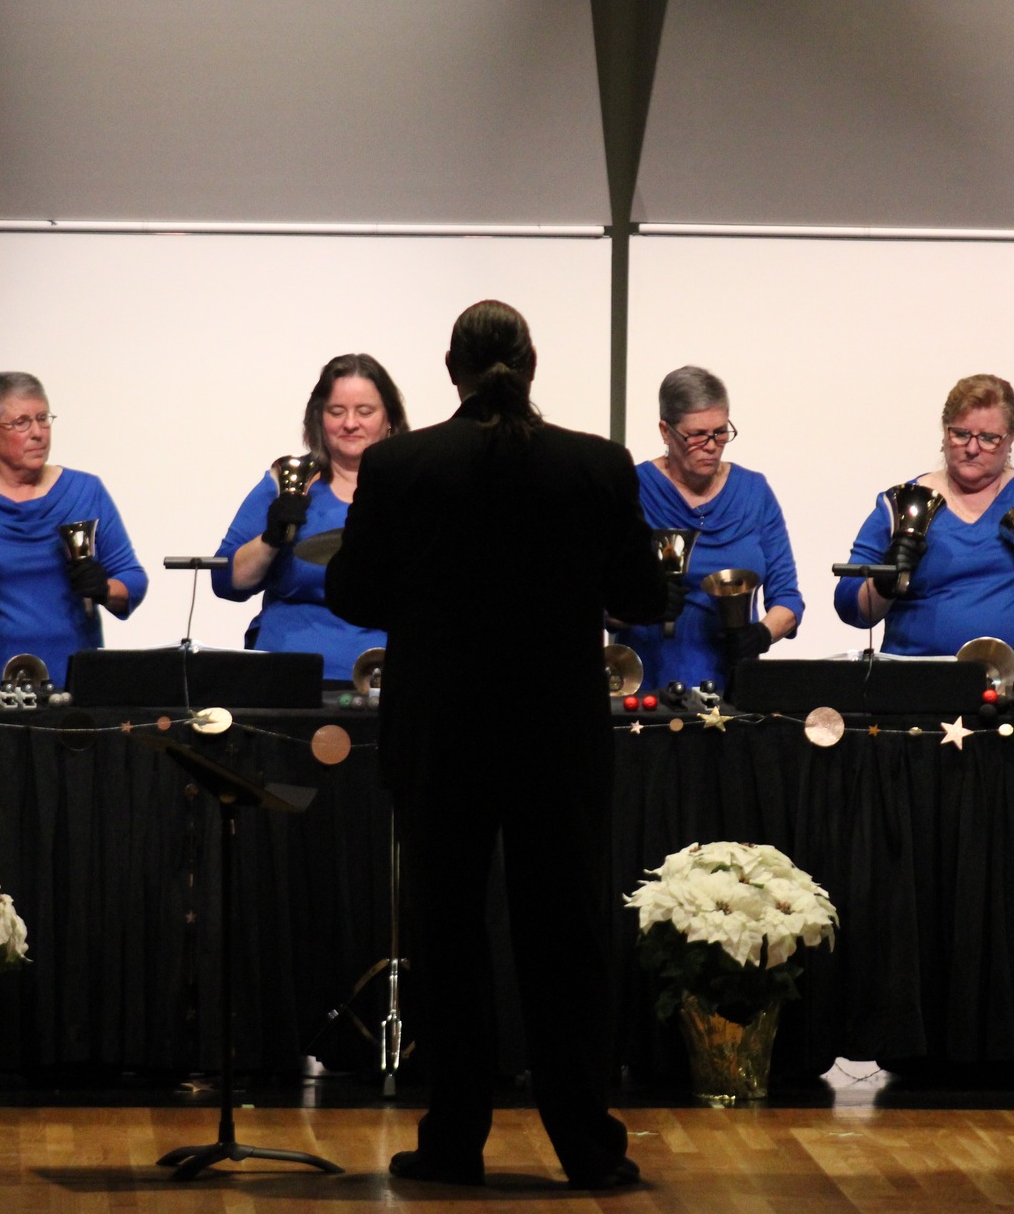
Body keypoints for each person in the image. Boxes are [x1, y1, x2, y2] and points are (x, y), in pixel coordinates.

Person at [324, 300, 673, 1191]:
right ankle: (586, 1143)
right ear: (532, 361)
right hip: (556, 732)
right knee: (564, 934)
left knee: (448, 935)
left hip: (440, 730)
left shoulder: (400, 463)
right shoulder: (595, 463)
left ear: (450, 368)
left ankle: (453, 1141)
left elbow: (355, 594)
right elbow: (642, 590)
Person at [833, 373, 1014, 682]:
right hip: (919, 690)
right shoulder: (903, 503)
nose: (972, 448)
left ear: (1010, 439)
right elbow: (850, 606)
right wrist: (887, 581)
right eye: (961, 434)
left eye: (988, 438)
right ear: (945, 433)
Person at [0, 372, 147, 689]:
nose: (38, 433)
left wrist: (104, 588)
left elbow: (133, 579)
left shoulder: (85, 491)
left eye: (43, 419)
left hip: (72, 685)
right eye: (21, 423)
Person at [211, 354, 406, 681]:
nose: (350, 423)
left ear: (390, 419)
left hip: (386, 681)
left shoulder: (413, 484)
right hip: (288, 678)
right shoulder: (286, 481)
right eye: (336, 411)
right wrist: (271, 538)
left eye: (365, 411)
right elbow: (226, 581)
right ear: (318, 418)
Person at [613, 365, 802, 693]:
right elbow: (601, 605)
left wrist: (760, 635)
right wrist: (644, 606)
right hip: (648, 690)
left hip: (732, 688)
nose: (712, 445)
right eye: (697, 435)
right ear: (665, 431)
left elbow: (788, 599)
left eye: (720, 432)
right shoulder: (632, 489)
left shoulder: (754, 492)